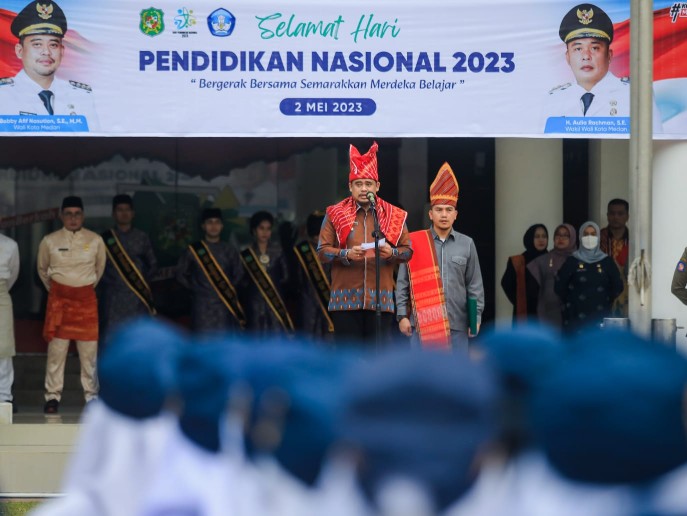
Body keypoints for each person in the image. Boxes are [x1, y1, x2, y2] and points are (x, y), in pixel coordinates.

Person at [317, 141, 412, 345]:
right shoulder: (335, 213)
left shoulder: (392, 214)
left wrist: (391, 253)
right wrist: (346, 254)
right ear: (350, 186)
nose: (363, 189)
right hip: (345, 303)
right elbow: (322, 252)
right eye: (358, 184)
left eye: (368, 184)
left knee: (377, 364)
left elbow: (408, 252)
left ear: (377, 186)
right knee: (348, 361)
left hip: (381, 302)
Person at [395, 162, 484, 351]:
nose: (444, 215)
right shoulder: (414, 243)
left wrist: (475, 319)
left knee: (456, 378)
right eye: (439, 210)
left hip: (457, 326)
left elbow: (474, 285)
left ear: (456, 215)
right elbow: (403, 282)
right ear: (430, 213)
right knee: (423, 377)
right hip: (422, 326)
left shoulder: (467, 243)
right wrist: (402, 316)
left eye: (449, 210)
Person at [37, 196, 106, 414]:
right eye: (68, 213)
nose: (73, 218)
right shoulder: (49, 240)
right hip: (59, 303)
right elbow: (42, 270)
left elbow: (99, 269)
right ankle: (52, 397)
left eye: (77, 214)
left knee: (89, 354)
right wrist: (60, 292)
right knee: (56, 353)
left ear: (83, 216)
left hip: (86, 302)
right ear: (61, 216)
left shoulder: (95, 240)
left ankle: (92, 397)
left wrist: (81, 288)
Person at [543, 3, 662, 128]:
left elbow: (654, 140)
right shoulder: (554, 99)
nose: (586, 56)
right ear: (568, 57)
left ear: (609, 55)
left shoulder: (636, 94)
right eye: (578, 49)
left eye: (594, 48)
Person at [0, 0, 99, 130]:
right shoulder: (3, 95)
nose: (46, 52)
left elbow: (95, 146)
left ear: (62, 51)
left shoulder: (81, 96)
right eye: (37, 44)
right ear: (20, 51)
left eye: (53, 45)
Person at [176, 208, 246, 334]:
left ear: (222, 226)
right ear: (203, 226)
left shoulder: (229, 250)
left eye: (217, 222)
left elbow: (239, 274)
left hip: (224, 304)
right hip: (201, 306)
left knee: (223, 344)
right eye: (209, 222)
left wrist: (227, 290)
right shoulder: (193, 250)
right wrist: (196, 289)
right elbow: (180, 274)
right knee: (202, 343)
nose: (214, 226)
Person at [99, 194, 157, 342]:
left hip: (137, 298)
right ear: (113, 214)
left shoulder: (142, 237)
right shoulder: (104, 239)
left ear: (133, 214)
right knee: (111, 338)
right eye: (120, 210)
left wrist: (142, 285)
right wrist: (110, 283)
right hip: (112, 298)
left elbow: (152, 265)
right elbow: (96, 267)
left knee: (136, 338)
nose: (124, 213)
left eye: (127, 210)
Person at [554, 221, 624, 334]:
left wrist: (603, 298)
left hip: (601, 316)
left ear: (598, 237)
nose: (589, 237)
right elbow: (559, 287)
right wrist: (573, 301)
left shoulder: (607, 262)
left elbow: (617, 286)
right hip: (575, 318)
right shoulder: (572, 261)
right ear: (580, 236)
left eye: (593, 234)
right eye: (586, 234)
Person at [239, 210, 293, 335]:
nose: (265, 232)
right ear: (254, 230)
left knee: (275, 338)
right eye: (261, 228)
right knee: (255, 338)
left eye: (268, 228)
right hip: (253, 303)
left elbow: (286, 277)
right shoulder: (246, 254)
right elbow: (241, 280)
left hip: (275, 302)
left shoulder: (278, 251)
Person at [293, 210, 334, 341]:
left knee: (328, 337)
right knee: (308, 338)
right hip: (307, 302)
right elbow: (297, 279)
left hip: (329, 300)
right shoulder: (301, 251)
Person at [527, 223, 577, 329]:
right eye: (558, 235)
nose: (561, 238)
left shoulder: (578, 260)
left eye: (565, 235)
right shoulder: (542, 260)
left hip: (573, 311)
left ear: (572, 238)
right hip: (549, 313)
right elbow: (532, 290)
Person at [500, 224, 548, 323]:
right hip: (526, 314)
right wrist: (520, 301)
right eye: (537, 236)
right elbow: (506, 284)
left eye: (544, 236)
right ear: (530, 238)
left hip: (548, 314)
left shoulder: (552, 259)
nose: (541, 240)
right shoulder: (519, 261)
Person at [600, 198, 629, 317]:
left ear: (627, 216)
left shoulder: (635, 240)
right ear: (607, 215)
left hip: (627, 293)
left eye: (620, 214)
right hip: (602, 290)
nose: (615, 217)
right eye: (612, 213)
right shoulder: (598, 238)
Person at [0, 233, 19, 409]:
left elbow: (13, 275)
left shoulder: (10, 245)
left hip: (1, 295)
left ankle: (4, 397)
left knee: (4, 347)